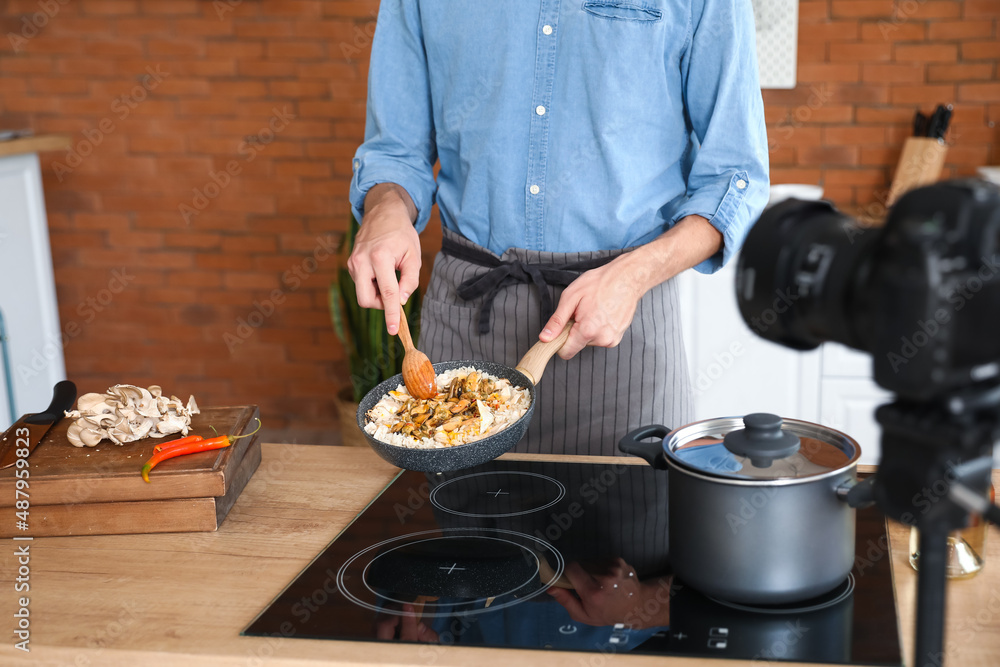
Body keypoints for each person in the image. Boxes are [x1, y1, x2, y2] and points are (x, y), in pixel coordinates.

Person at [348, 0, 769, 455]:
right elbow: (396, 150)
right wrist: (385, 209)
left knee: (640, 521)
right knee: (462, 527)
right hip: (463, 330)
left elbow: (734, 177)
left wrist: (635, 275)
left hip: (623, 331)